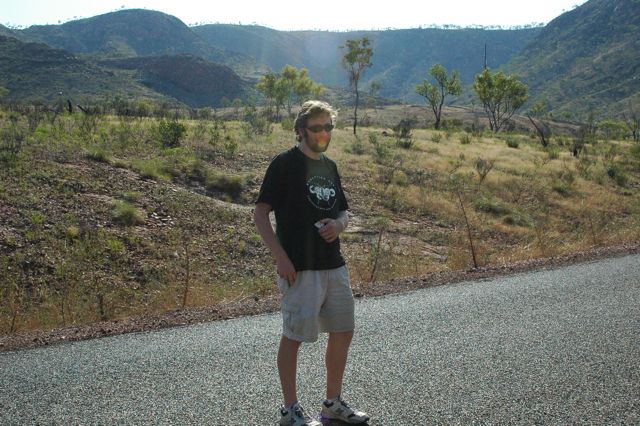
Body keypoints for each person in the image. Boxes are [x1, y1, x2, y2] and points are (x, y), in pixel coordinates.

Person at [254, 100, 369, 426]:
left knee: (343, 330)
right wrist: (281, 257)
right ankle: (290, 410)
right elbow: (260, 214)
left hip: (333, 264)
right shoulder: (284, 164)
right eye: (316, 127)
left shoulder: (329, 166)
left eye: (328, 127)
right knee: (294, 335)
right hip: (299, 268)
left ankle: (332, 404)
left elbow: (343, 211)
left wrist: (339, 225)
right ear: (302, 129)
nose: (323, 133)